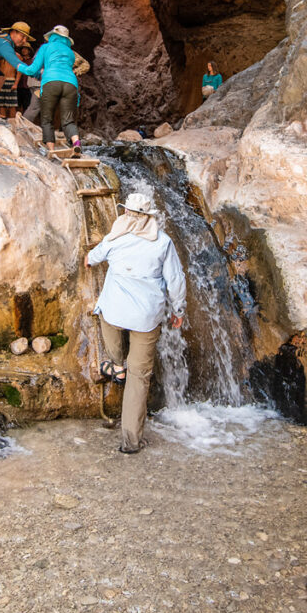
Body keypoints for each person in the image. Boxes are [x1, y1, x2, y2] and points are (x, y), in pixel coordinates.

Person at [85, 192, 185, 455]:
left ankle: (117, 365)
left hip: (115, 311)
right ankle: (130, 442)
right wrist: (179, 309)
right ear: (149, 216)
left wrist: (89, 260)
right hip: (146, 317)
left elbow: (93, 257)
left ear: (127, 213)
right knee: (139, 378)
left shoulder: (116, 237)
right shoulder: (163, 242)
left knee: (108, 323)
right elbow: (175, 280)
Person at [16, 23, 83, 150]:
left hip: (51, 82)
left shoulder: (46, 47)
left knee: (47, 118)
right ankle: (76, 143)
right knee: (68, 121)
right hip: (71, 84)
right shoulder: (70, 53)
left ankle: (51, 149)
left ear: (52, 36)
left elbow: (32, 69)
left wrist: (19, 66)